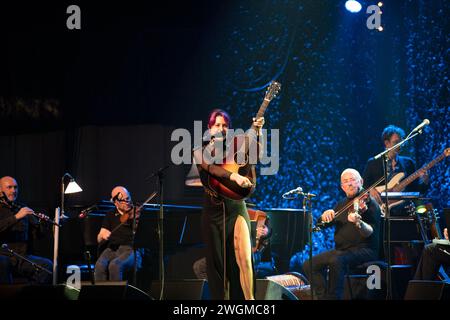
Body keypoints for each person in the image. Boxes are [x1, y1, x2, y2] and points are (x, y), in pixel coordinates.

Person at [192, 109, 264, 300]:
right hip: (212, 213)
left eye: (225, 125)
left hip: (235, 208)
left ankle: (250, 303)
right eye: (217, 125)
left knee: (245, 259)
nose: (221, 129)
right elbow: (212, 169)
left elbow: (257, 156)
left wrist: (258, 132)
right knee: (217, 267)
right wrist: (234, 176)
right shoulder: (199, 150)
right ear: (209, 128)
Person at [302, 169, 381, 300]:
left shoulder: (370, 204)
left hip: (365, 249)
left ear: (361, 182)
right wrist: (323, 217)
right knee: (309, 264)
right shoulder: (341, 204)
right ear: (342, 187)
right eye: (346, 181)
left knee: (336, 260)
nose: (349, 184)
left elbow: (369, 233)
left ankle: (334, 297)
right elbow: (322, 225)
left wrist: (359, 223)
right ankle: (322, 297)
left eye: (353, 180)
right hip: (342, 250)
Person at [363, 125, 429, 215]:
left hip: (405, 211)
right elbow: (362, 187)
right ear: (387, 143)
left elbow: (416, 191)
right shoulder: (373, 163)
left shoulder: (408, 163)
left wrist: (424, 181)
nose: (400, 145)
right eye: (396, 142)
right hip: (379, 211)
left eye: (401, 141)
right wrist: (370, 190)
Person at [0, 176, 52, 284]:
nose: (13, 191)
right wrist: (16, 217)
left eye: (15, 187)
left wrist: (42, 223)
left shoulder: (22, 207)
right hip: (3, 255)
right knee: (4, 263)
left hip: (22, 257)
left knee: (47, 265)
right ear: (0, 190)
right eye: (9, 187)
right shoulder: (18, 212)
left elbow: (37, 235)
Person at [94, 186, 142, 281]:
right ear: (116, 203)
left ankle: (116, 295)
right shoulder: (110, 214)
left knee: (115, 265)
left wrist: (136, 223)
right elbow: (99, 238)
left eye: (128, 198)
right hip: (112, 249)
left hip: (131, 249)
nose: (127, 202)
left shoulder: (136, 212)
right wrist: (102, 235)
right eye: (123, 200)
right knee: (99, 266)